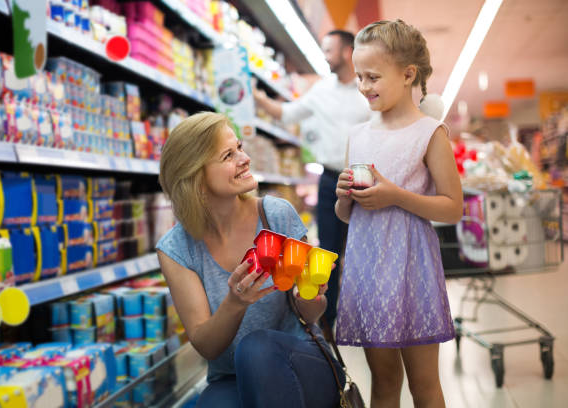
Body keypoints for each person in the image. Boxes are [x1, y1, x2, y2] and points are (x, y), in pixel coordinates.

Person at [155, 111, 345, 408]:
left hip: (301, 361)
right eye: (228, 155)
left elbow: (309, 315)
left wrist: (311, 294)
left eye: (240, 148)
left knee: (256, 348)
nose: (244, 159)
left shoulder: (275, 215)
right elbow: (207, 346)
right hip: (230, 376)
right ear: (195, 177)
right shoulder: (176, 249)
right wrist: (235, 302)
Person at [334, 20, 463, 407]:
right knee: (384, 380)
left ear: (408, 74)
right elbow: (347, 215)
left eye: (373, 76)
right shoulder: (357, 136)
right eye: (359, 76)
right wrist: (344, 199)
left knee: (424, 383)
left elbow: (452, 207)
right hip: (368, 270)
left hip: (413, 269)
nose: (363, 86)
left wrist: (396, 196)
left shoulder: (429, 133)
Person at [253, 30, 371, 335]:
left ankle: (367, 317)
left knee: (365, 253)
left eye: (328, 49)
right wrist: (255, 97)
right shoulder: (321, 92)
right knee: (327, 254)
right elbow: (287, 112)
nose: (324, 56)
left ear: (347, 51)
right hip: (331, 178)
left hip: (368, 178)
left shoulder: (367, 88)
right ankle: (328, 322)